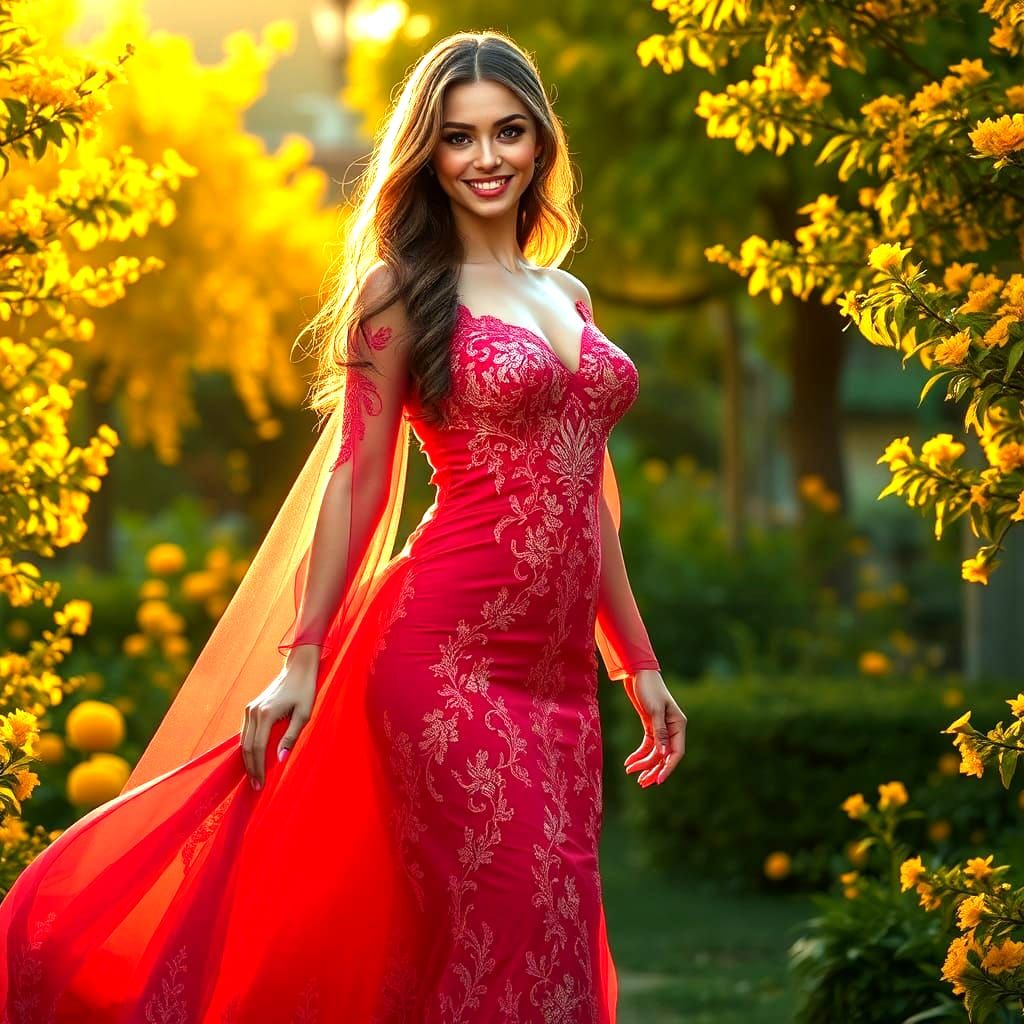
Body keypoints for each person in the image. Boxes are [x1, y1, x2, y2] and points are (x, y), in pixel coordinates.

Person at [0, 28, 686, 1024]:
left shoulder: (566, 294)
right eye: (458, 138)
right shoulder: (400, 295)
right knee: (503, 914)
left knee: (553, 924)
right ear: (428, 154)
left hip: (556, 686)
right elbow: (357, 478)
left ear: (540, 142)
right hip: (441, 660)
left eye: (507, 132)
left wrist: (637, 662)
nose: (486, 157)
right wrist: (303, 650)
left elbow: (586, 499)